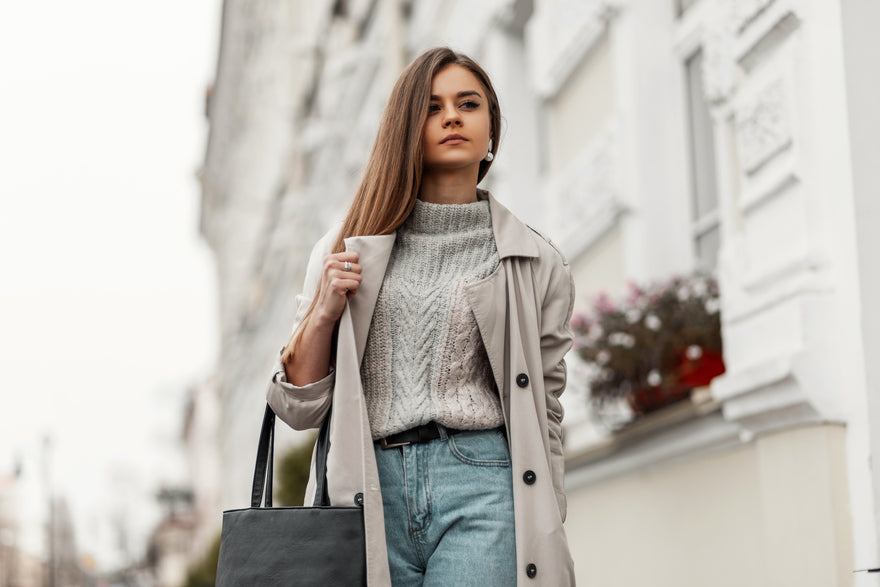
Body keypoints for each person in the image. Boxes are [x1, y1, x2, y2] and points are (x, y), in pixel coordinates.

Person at [267, 47, 576, 586]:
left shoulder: (534, 261)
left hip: (483, 484)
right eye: (432, 107)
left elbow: (545, 408)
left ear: (491, 131)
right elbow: (299, 409)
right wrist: (323, 313)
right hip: (367, 488)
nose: (452, 116)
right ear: (407, 130)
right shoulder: (345, 250)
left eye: (468, 103)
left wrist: (546, 518)